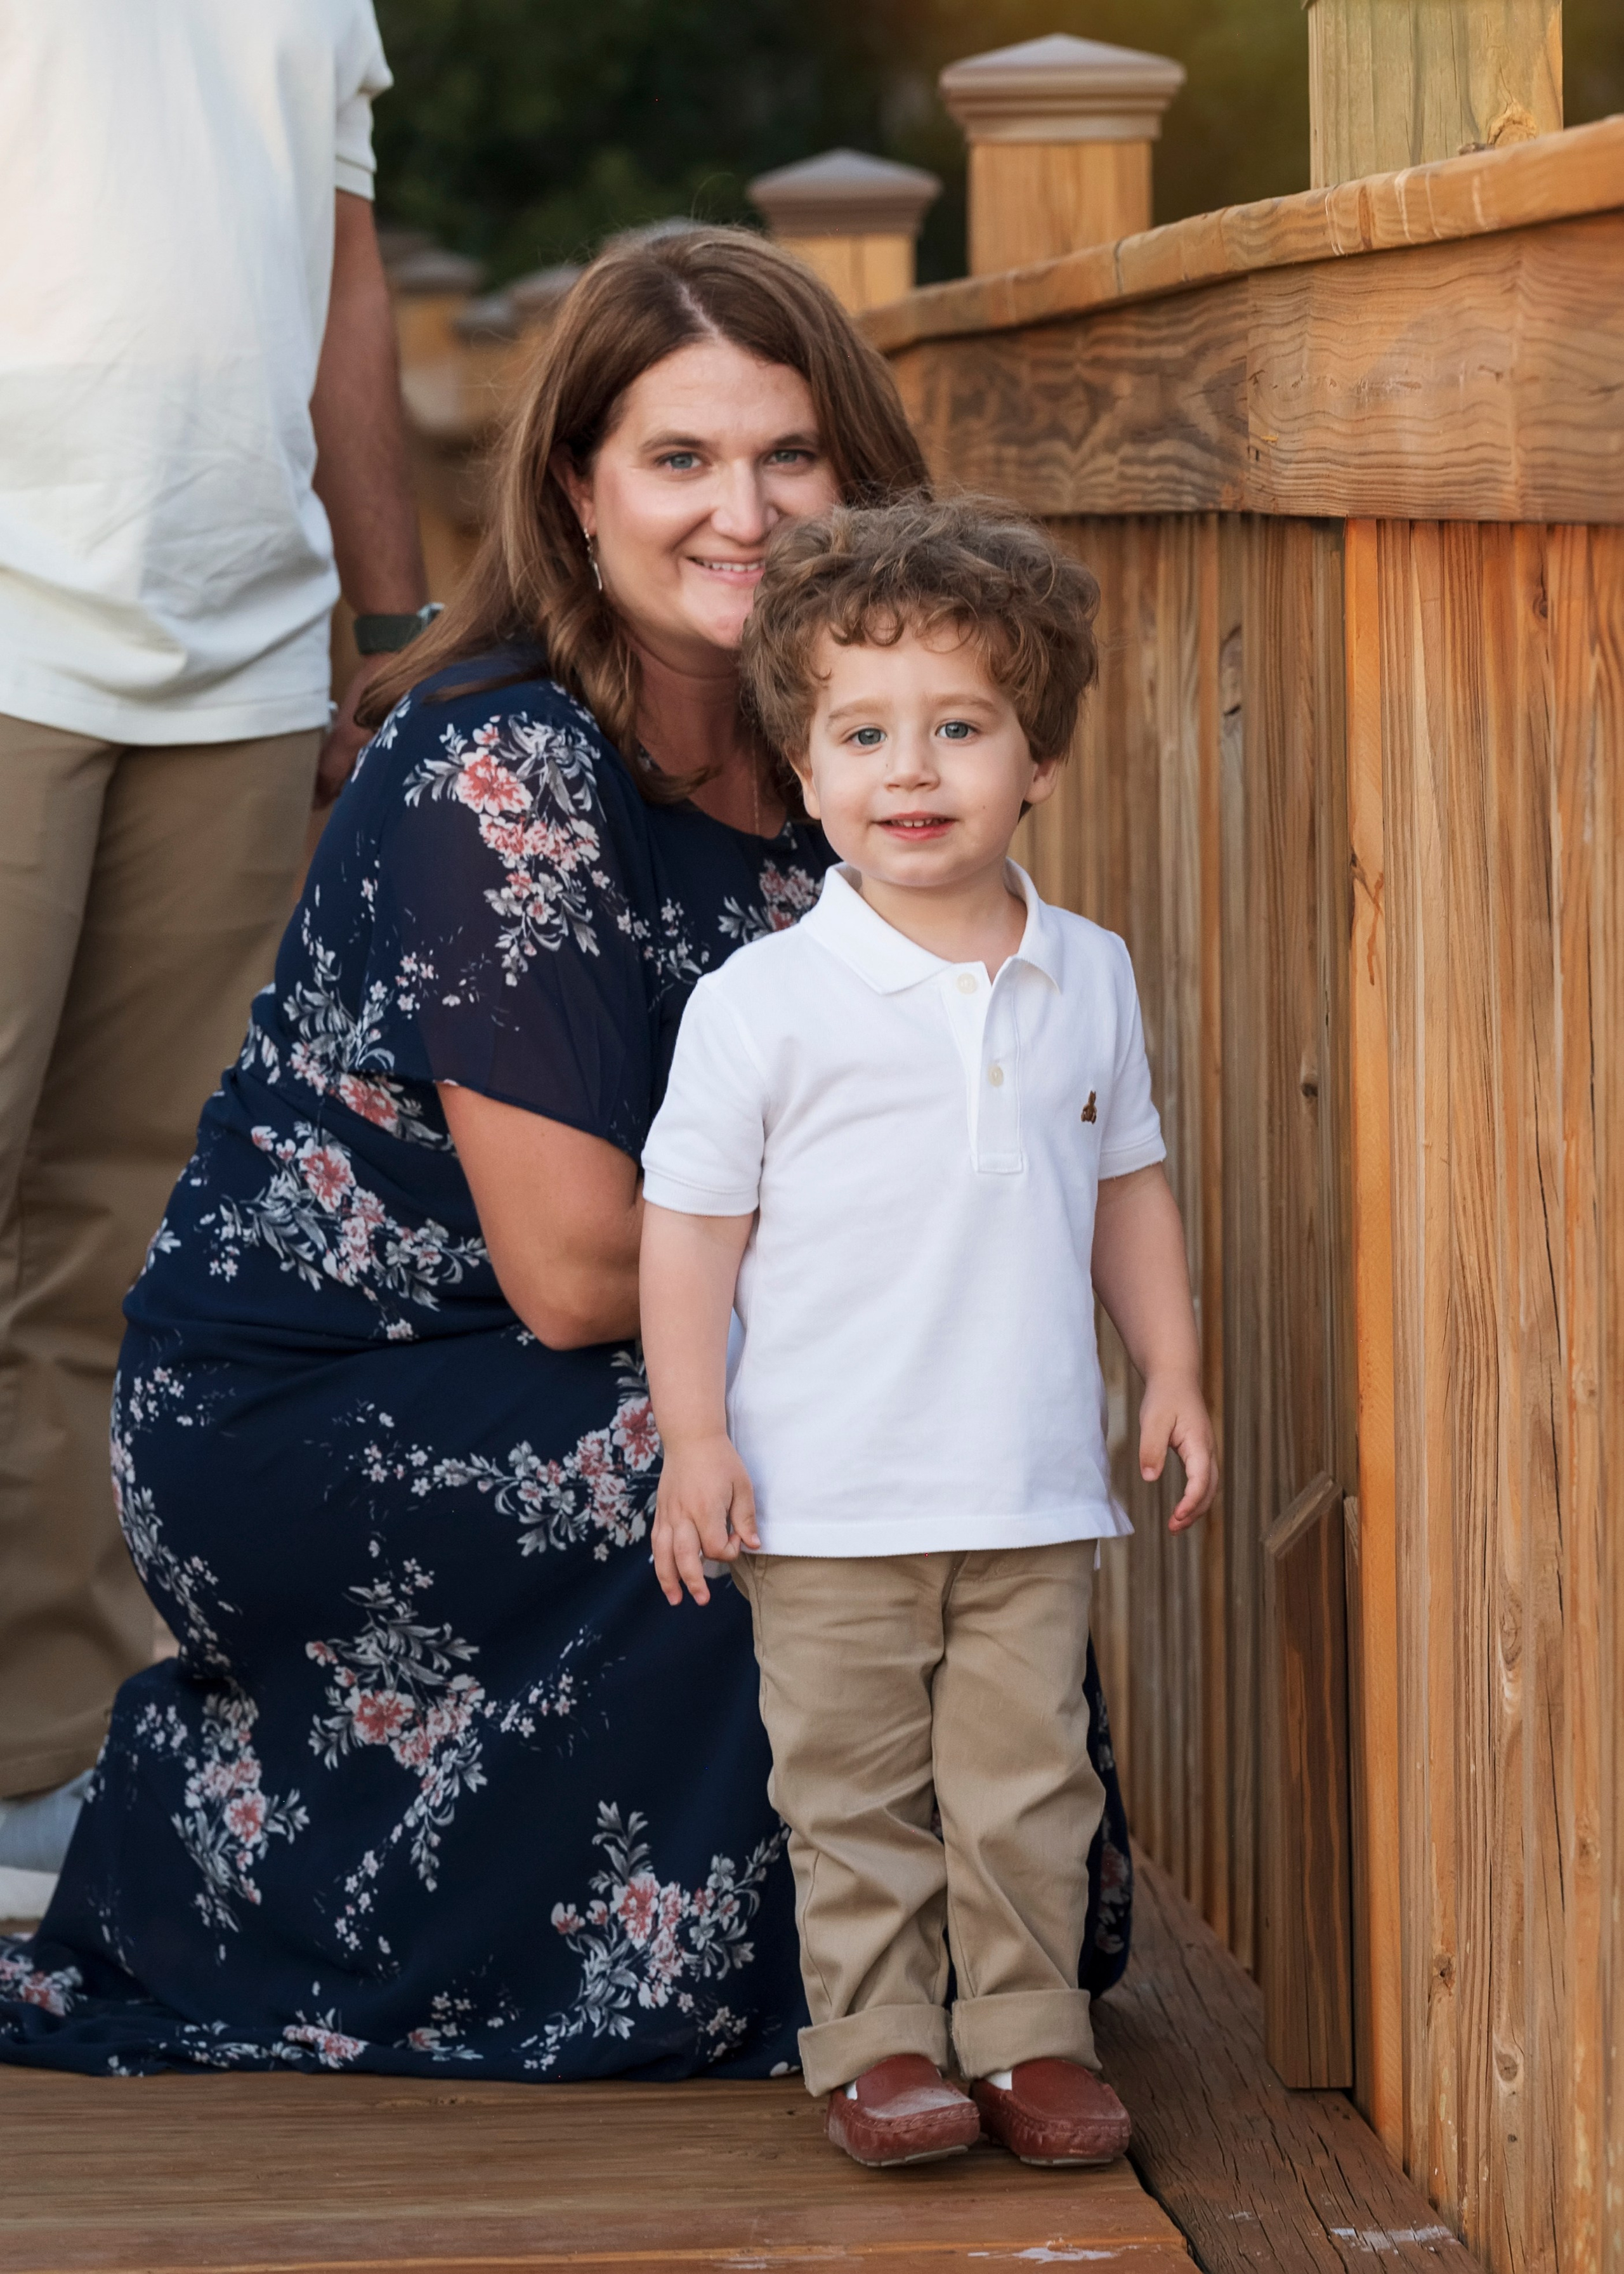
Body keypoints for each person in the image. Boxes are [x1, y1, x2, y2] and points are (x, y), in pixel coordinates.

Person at [0, 232, 1132, 2078]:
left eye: (791, 458)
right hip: (343, 1390)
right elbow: (576, 1270)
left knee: (935, 1467)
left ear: (861, 483)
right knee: (791, 1472)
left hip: (663, 1336)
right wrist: (940, 1280)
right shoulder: (498, 769)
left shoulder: (869, 769)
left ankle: (956, 1995)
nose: (742, 512)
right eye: (679, 460)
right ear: (578, 495)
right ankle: (494, 1939)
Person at [640, 496, 1217, 2164]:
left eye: (960, 728)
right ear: (804, 771)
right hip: (827, 1503)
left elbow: (1128, 1181)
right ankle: (882, 2044)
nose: (913, 769)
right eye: (866, 734)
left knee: (1030, 1791)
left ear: (1036, 759)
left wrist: (1170, 1366)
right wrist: (698, 1437)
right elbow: (691, 1239)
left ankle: (1033, 2040)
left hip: (1029, 1489)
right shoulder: (764, 1007)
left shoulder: (1087, 972)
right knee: (852, 1795)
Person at [0, 0, 430, 1873]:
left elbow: (339, 291)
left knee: (118, 1239)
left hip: (240, 662)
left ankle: (34, 1764)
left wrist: (396, 614)